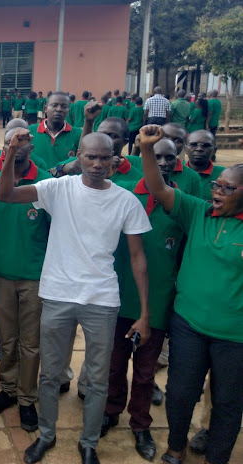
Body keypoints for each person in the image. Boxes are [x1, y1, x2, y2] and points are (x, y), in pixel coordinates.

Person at [0, 131, 151, 464]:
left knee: (97, 379)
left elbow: (138, 258)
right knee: (50, 375)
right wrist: (11, 150)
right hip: (57, 294)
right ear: (77, 156)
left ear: (115, 158)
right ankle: (46, 435)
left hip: (102, 298)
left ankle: (89, 443)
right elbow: (7, 193)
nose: (98, 164)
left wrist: (144, 313)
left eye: (105, 157)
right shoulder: (58, 189)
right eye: (91, 157)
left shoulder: (126, 200)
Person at [136, 124, 243, 464]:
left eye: (227, 188)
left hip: (235, 335)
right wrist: (147, 150)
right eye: (217, 184)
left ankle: (217, 458)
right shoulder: (197, 211)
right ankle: (175, 447)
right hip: (189, 323)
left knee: (227, 403)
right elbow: (157, 186)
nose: (217, 191)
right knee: (180, 393)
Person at [101, 137, 185, 461]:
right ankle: (110, 410)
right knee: (114, 365)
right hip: (117, 298)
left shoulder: (181, 206)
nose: (162, 163)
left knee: (146, 372)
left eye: (169, 157)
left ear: (178, 161)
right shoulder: (121, 195)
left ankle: (140, 424)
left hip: (158, 303)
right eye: (157, 156)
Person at [0, 126, 51, 432]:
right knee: (6, 340)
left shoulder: (48, 182)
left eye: (21, 142)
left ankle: (26, 399)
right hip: (2, 275)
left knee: (31, 343)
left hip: (35, 277)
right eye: (9, 142)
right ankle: (8, 389)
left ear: (31, 147)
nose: (16, 146)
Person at [57, 117, 141, 183]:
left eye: (112, 136)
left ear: (125, 142)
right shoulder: (79, 163)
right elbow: (47, 175)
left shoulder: (134, 175)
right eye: (100, 134)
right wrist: (63, 169)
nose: (104, 139)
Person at [29, 92, 81, 168]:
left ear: (68, 111)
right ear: (45, 109)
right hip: (38, 179)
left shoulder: (78, 133)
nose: (59, 109)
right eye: (54, 105)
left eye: (64, 106)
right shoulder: (30, 132)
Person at [185, 130, 225, 202]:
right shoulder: (174, 171)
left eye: (206, 145)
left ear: (214, 150)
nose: (199, 149)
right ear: (185, 149)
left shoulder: (224, 175)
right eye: (194, 144)